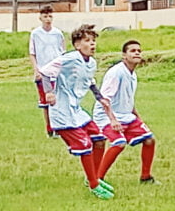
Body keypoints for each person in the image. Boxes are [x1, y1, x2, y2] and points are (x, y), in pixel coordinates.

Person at [39, 24, 120, 200]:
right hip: (62, 113)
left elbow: (89, 81)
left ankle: (94, 177)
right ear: (77, 45)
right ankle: (94, 185)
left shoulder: (91, 62)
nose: (92, 44)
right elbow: (44, 73)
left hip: (77, 111)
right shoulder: (69, 58)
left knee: (99, 139)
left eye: (93, 40)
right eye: (87, 41)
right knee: (84, 146)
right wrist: (49, 92)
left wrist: (100, 97)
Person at [94, 39, 159, 185]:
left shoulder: (133, 75)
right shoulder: (116, 72)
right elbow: (104, 99)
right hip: (106, 115)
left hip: (125, 115)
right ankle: (97, 179)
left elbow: (128, 100)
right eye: (132, 51)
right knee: (119, 142)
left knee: (149, 140)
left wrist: (138, 118)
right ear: (124, 55)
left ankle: (146, 177)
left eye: (139, 51)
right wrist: (112, 120)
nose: (137, 53)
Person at [29, 5, 66, 137]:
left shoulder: (58, 33)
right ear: (40, 18)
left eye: (50, 16)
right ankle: (49, 128)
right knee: (45, 101)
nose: (48, 19)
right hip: (43, 71)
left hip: (56, 71)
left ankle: (59, 127)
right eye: (45, 16)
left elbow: (63, 52)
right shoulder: (35, 34)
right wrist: (36, 70)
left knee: (58, 100)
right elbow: (32, 53)